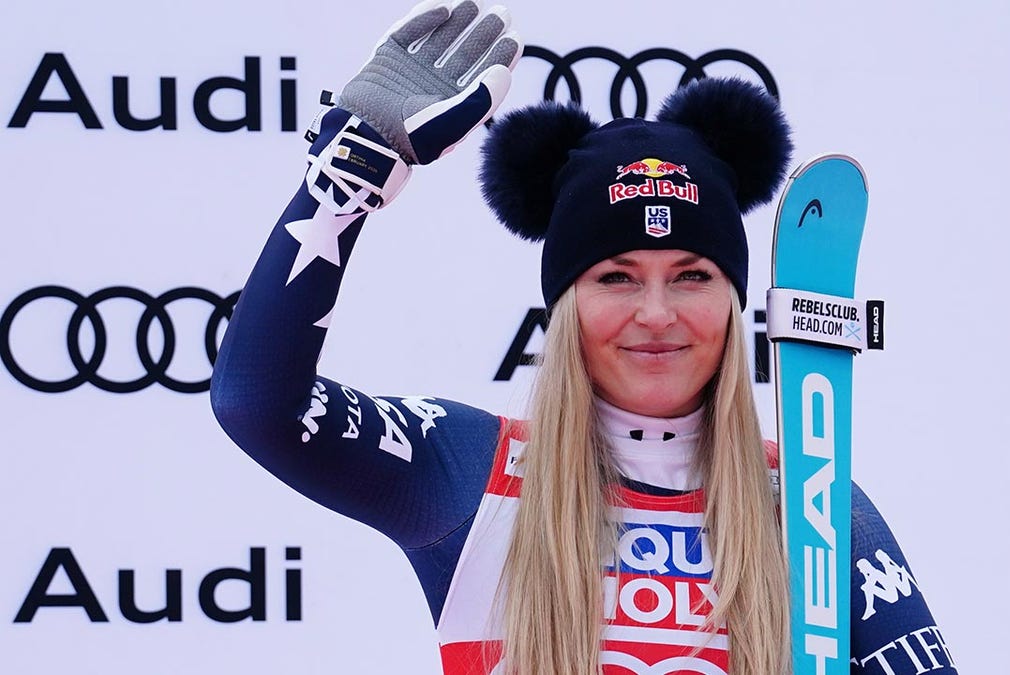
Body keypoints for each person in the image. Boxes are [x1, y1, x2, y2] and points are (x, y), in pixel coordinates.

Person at [210, 2, 958, 674]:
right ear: (565, 307)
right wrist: (349, 175)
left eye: (693, 275)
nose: (658, 312)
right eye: (617, 277)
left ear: (734, 303)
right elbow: (257, 402)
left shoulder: (811, 503)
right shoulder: (471, 471)